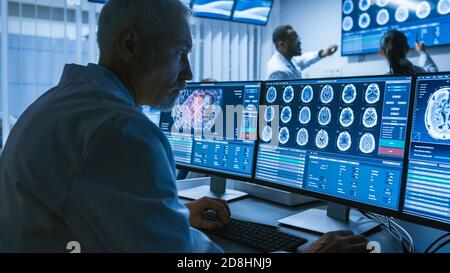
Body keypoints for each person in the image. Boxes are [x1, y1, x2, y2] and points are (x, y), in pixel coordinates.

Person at [0, 0, 368, 253]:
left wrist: (170, 213)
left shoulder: (62, 104)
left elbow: (93, 204)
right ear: (130, 44)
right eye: (180, 52)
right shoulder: (120, 131)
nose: (189, 73)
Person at [266, 25, 338, 80]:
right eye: (295, 40)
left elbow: (303, 60)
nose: (299, 42)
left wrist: (323, 53)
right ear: (282, 45)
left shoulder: (287, 59)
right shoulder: (279, 71)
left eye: (298, 38)